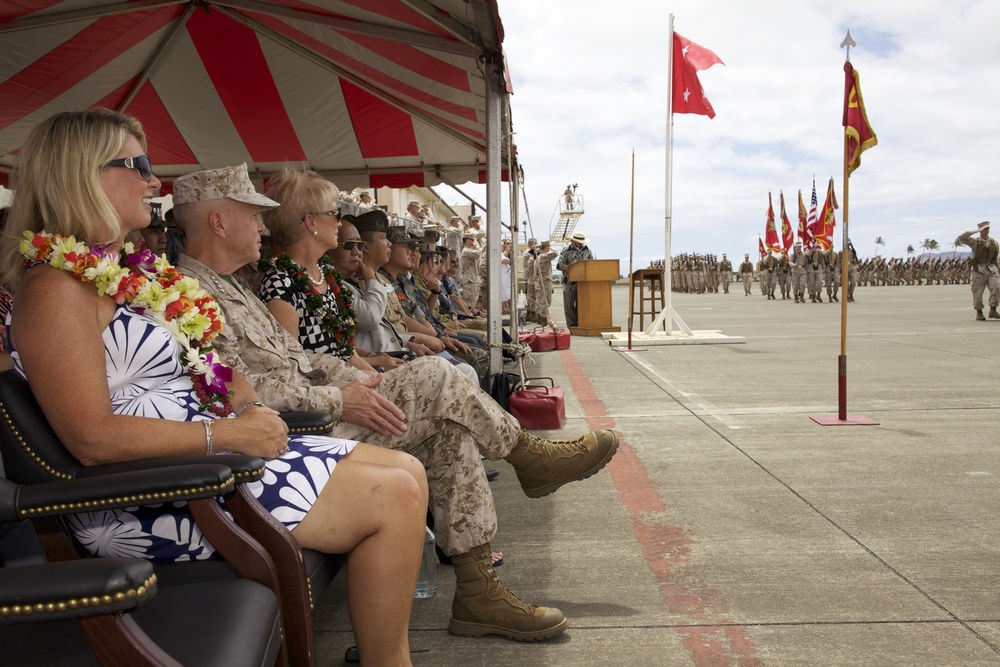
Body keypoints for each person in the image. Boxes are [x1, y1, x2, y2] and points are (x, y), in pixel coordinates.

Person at [0, 109, 426, 666]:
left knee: (408, 471)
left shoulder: (124, 274)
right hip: (146, 495)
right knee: (392, 496)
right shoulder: (55, 290)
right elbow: (91, 438)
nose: (155, 183)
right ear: (87, 174)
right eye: (140, 165)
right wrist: (227, 434)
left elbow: (201, 365)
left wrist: (241, 397)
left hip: (206, 463)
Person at [172, 163, 620, 642]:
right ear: (219, 223)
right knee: (435, 374)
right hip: (290, 435)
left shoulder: (235, 286)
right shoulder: (188, 297)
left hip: (316, 414)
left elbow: (294, 357)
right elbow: (237, 391)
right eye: (252, 215)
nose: (264, 224)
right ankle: (530, 458)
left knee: (447, 430)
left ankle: (477, 592)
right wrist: (339, 399)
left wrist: (352, 376)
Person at [955, 221, 1000, 320]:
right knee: (977, 292)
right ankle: (979, 312)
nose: (986, 231)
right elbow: (960, 238)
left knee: (996, 287)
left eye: (988, 229)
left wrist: (998, 268)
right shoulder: (974, 241)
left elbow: (996, 257)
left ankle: (993, 310)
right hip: (978, 269)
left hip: (991, 268)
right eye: (984, 229)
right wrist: (974, 231)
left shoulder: (994, 242)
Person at [557, 231, 594, 327]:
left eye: (582, 242)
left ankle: (581, 324)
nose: (581, 244)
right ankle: (572, 325)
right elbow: (560, 265)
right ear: (574, 241)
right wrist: (573, 269)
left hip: (582, 283)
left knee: (582, 304)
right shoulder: (566, 250)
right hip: (569, 283)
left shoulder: (587, 250)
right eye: (579, 242)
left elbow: (592, 263)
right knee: (569, 306)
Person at [534, 240, 558, 325]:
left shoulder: (538, 257)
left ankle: (540, 318)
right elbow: (555, 253)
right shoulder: (544, 256)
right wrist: (553, 249)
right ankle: (543, 319)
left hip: (539, 281)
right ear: (546, 247)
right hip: (545, 280)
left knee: (540, 299)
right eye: (549, 246)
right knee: (546, 300)